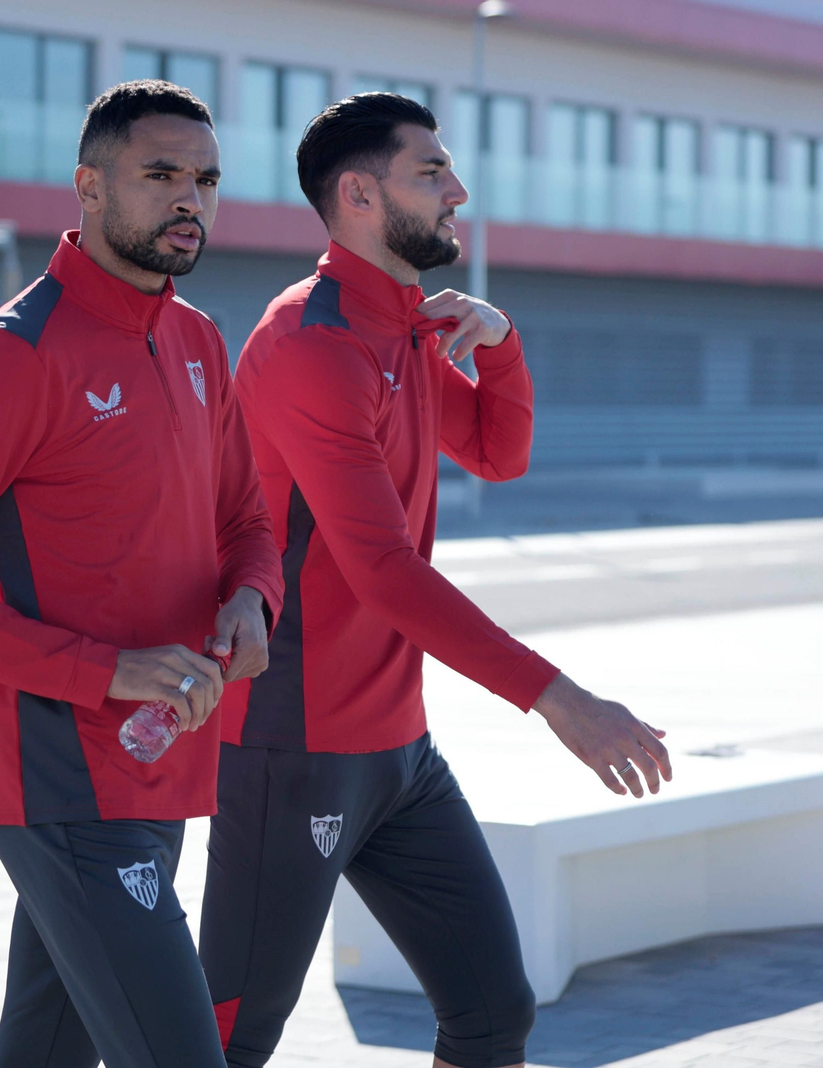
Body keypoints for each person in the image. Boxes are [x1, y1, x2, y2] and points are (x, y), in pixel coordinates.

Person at [199, 93, 673, 1068]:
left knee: (494, 1014)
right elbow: (382, 572)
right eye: (432, 172)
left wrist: (501, 349)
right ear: (359, 193)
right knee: (223, 1040)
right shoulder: (310, 345)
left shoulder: (407, 331)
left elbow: (498, 453)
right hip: (293, 747)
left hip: (398, 753)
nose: (458, 190)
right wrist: (560, 701)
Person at [0, 81, 284, 1068]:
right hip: (63, 777)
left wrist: (253, 597)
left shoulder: (196, 340)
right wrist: (107, 670)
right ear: (88, 187)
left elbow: (246, 519)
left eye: (206, 179)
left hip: (163, 762)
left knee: (45, 1050)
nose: (190, 198)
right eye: (161, 175)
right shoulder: (14, 355)